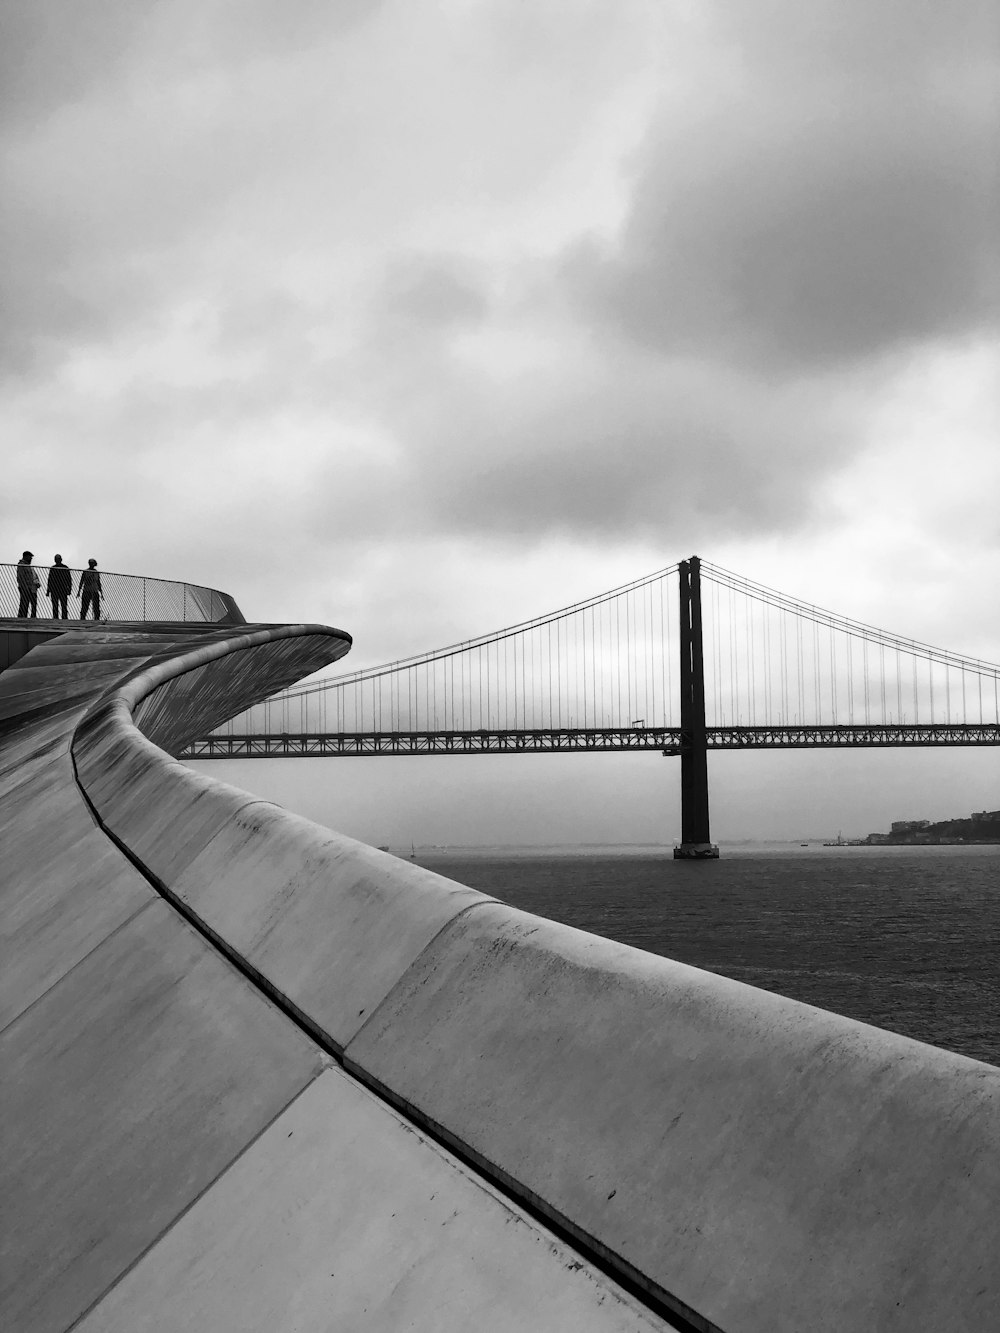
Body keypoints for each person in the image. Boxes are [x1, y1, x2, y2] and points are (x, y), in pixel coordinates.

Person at [47, 554, 72, 619]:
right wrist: (48, 590)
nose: (57, 560)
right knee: (56, 605)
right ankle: (57, 618)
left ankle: (63, 618)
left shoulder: (63, 568)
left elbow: (69, 579)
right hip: (55, 589)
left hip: (62, 589)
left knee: (63, 605)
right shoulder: (54, 568)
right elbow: (50, 580)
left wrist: (69, 589)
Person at [16, 551, 40, 618]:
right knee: (24, 604)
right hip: (26, 587)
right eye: (30, 557)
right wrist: (24, 586)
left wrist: (37, 583)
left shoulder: (29, 566)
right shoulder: (22, 565)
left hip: (32, 588)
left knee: (33, 604)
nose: (31, 559)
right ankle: (22, 617)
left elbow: (34, 576)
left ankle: (32, 617)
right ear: (26, 556)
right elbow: (20, 577)